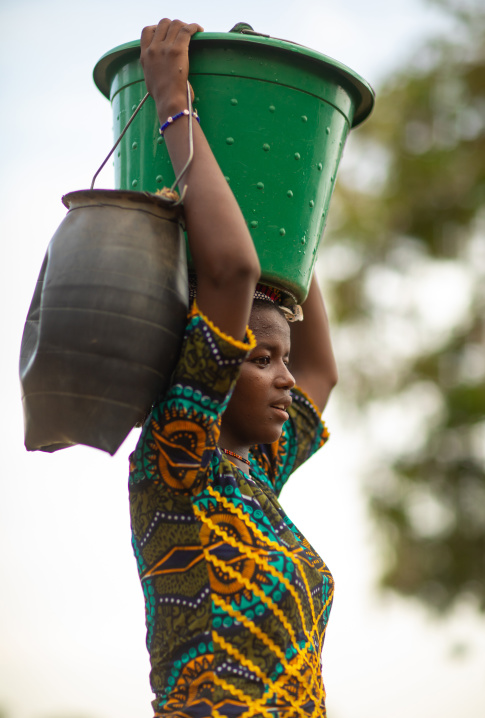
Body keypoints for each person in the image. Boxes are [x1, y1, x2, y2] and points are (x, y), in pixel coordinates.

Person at [128, 18, 338, 717]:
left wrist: (291, 224)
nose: (286, 376)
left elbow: (322, 373)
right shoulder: (178, 456)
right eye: (259, 358)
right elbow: (233, 267)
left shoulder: (257, 474)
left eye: (282, 356)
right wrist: (173, 105)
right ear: (209, 362)